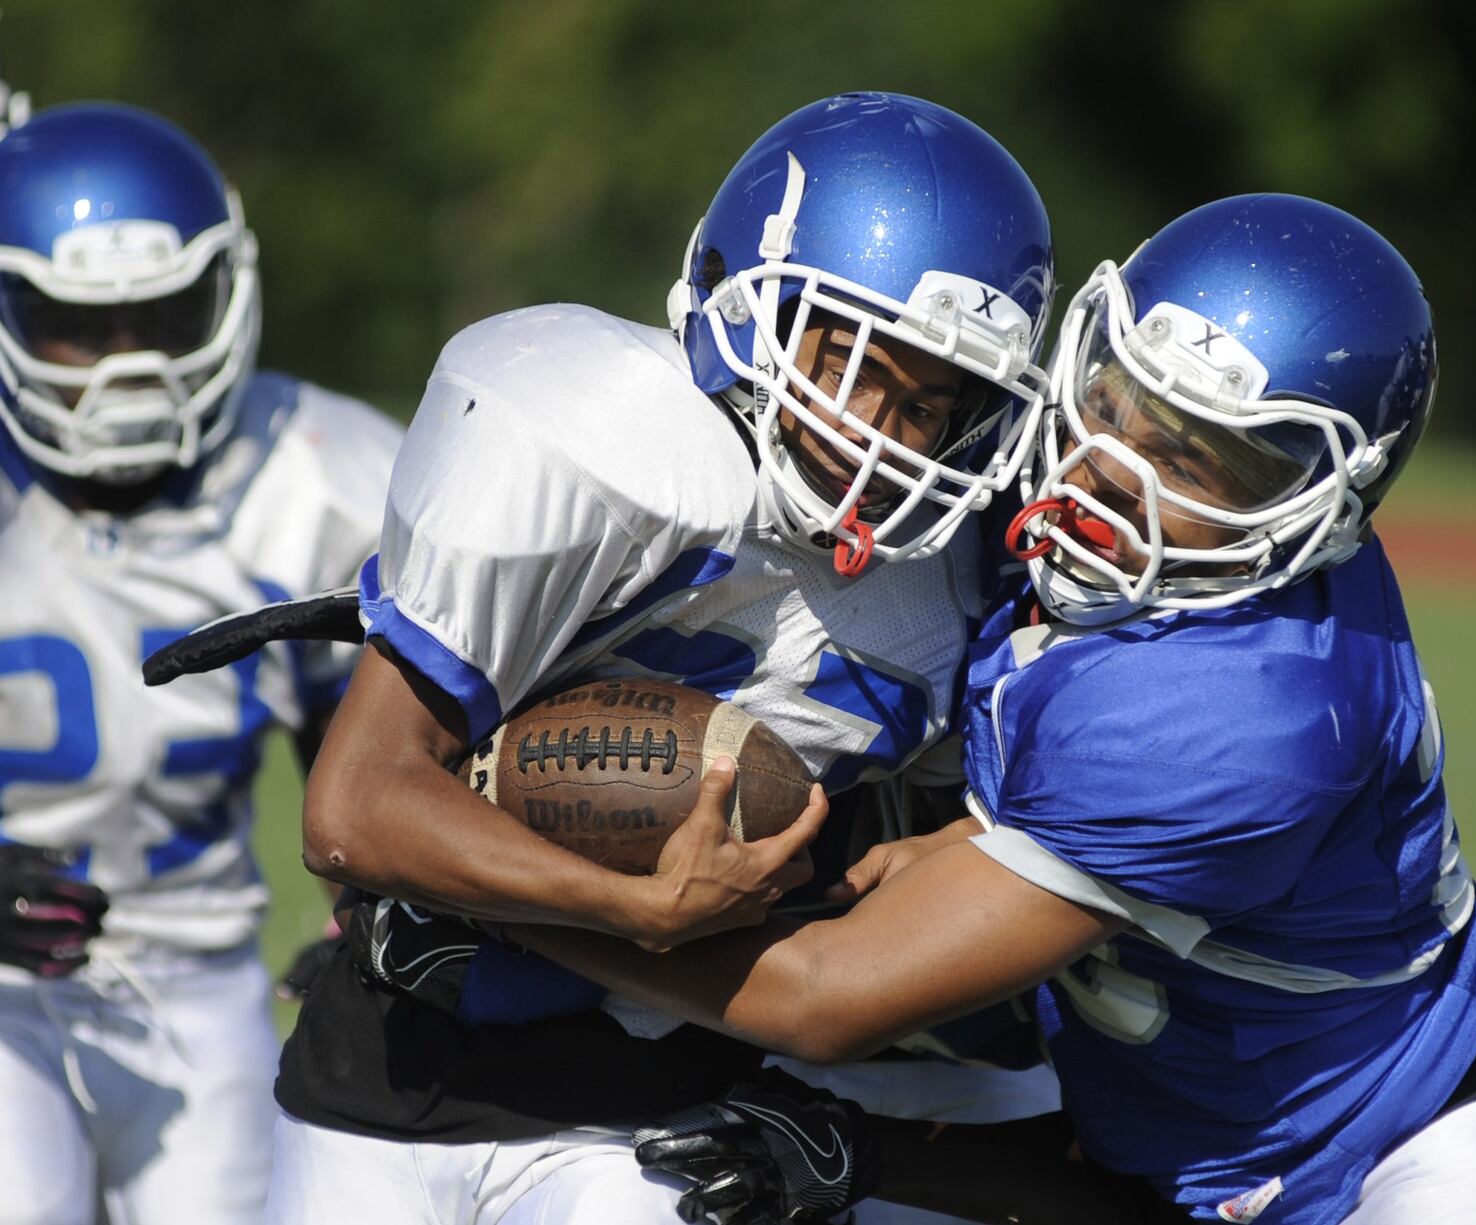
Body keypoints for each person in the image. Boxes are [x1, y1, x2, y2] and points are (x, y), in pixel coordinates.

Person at [492, 194, 1476, 1224]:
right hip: (1171, 1136)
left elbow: (823, 999)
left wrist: (503, 909)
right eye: (1115, 397)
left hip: (1406, 1142)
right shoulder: (1053, 492)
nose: (1115, 468)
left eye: (1200, 456)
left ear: (1315, 510)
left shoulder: (1243, 713)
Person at [249, 93, 1061, 1224]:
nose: (875, 425)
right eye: (847, 356)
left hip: (658, 1118)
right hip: (385, 1078)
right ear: (748, 294)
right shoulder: (584, 426)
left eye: (926, 400)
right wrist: (616, 903)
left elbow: (936, 886)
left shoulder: (965, 574)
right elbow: (355, 806)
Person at [0, 96, 402, 1224]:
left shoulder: (317, 477)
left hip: (199, 973)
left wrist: (372, 923)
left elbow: (388, 756)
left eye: (166, 316)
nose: (130, 369)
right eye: (82, 327)